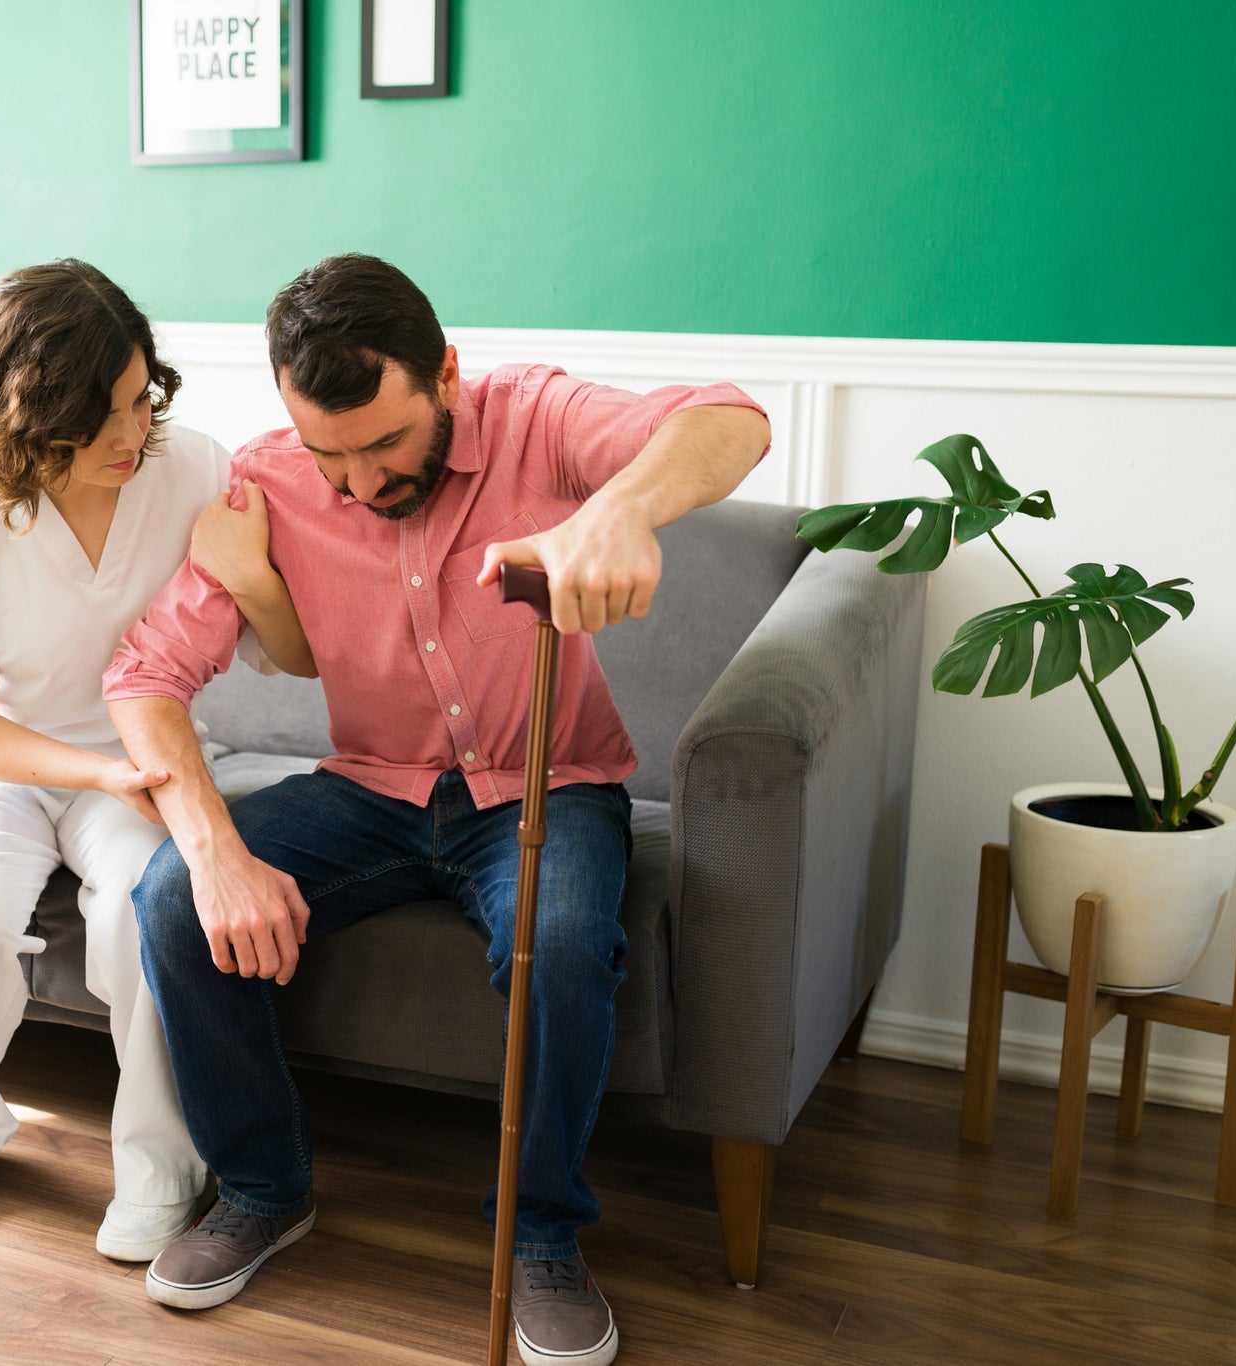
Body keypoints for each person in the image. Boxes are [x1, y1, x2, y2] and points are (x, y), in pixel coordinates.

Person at [102, 254, 770, 1365]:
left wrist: (617, 513)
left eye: (383, 444)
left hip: (545, 784)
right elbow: (144, 676)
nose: (357, 483)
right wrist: (215, 850)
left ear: (444, 376)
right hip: (370, 789)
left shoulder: (531, 417)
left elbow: (728, 420)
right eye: (331, 455)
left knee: (557, 946)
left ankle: (544, 1236)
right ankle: (264, 1188)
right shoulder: (268, 483)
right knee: (172, 895)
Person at [0, 259, 314, 1263]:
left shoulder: (196, 468)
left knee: (144, 917)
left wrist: (253, 575)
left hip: (144, 759)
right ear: (29, 417)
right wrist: (99, 777)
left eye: (140, 397)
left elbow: (288, 655)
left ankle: (161, 1166)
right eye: (102, 414)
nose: (132, 433)